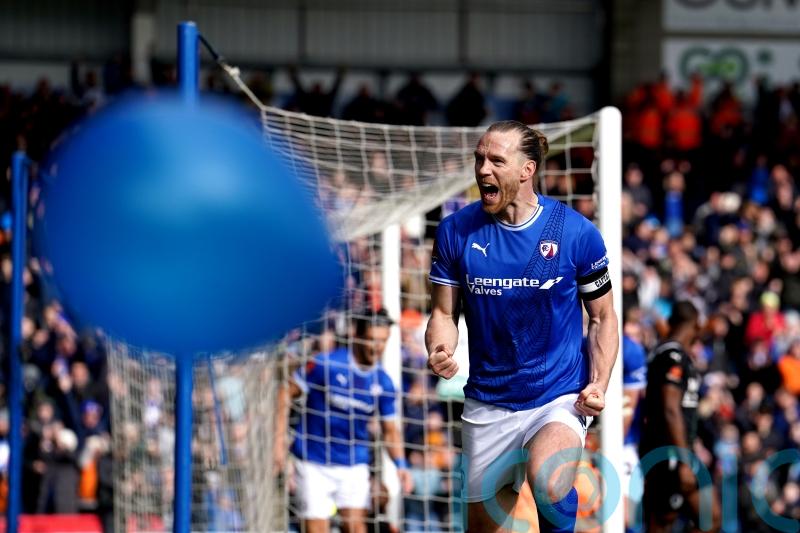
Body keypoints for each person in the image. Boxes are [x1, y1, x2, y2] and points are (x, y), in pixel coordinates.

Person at [426, 120, 618, 532]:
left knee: (549, 480)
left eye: (496, 160)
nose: (483, 169)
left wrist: (599, 383)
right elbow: (443, 314)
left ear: (527, 170)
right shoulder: (455, 231)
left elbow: (603, 317)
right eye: (479, 159)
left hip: (557, 395)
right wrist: (439, 348)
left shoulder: (576, 233)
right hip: (488, 400)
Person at [274, 309, 412, 533]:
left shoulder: (384, 383)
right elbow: (285, 392)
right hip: (313, 460)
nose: (377, 347)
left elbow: (390, 430)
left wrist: (401, 465)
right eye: (372, 339)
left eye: (383, 341)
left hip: (353, 462)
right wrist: (279, 441)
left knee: (356, 527)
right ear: (357, 336)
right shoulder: (325, 364)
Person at [640, 300, 720, 532]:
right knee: (661, 523)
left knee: (711, 518)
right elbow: (670, 408)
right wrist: (684, 459)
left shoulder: (680, 356)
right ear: (696, 325)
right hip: (667, 453)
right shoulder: (670, 356)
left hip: (683, 450)